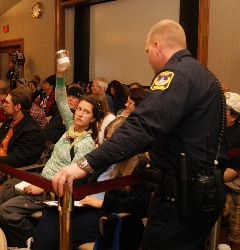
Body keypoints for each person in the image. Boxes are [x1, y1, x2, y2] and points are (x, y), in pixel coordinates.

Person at [52, 19, 227, 250]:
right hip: (203, 189)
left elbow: (141, 127)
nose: (147, 59)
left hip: (181, 196)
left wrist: (85, 164)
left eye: (147, 52)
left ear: (157, 46)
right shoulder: (203, 75)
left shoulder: (175, 75)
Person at [0, 87, 105, 247]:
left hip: (55, 190)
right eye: (79, 109)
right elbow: (61, 101)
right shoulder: (71, 128)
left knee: (7, 211)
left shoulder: (86, 143)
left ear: (92, 119)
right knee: (4, 191)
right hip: (41, 177)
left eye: (86, 112)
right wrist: (61, 76)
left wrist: (44, 188)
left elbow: (72, 179)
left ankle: (32, 241)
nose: (80, 114)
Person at [33, 116, 151, 250]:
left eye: (112, 141)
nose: (108, 145)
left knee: (57, 230)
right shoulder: (105, 159)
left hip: (107, 215)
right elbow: (88, 184)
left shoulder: (140, 164)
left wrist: (104, 203)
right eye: (106, 139)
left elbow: (140, 204)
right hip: (87, 206)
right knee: (51, 213)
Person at [0, 86, 45, 184]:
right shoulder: (9, 123)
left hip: (10, 174)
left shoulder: (32, 131)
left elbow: (16, 160)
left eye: (7, 102)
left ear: (17, 107)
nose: (3, 104)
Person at [222, 92, 240, 247]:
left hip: (231, 184)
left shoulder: (238, 135)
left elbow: (234, 170)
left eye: (224, 110)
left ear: (234, 116)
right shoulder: (213, 128)